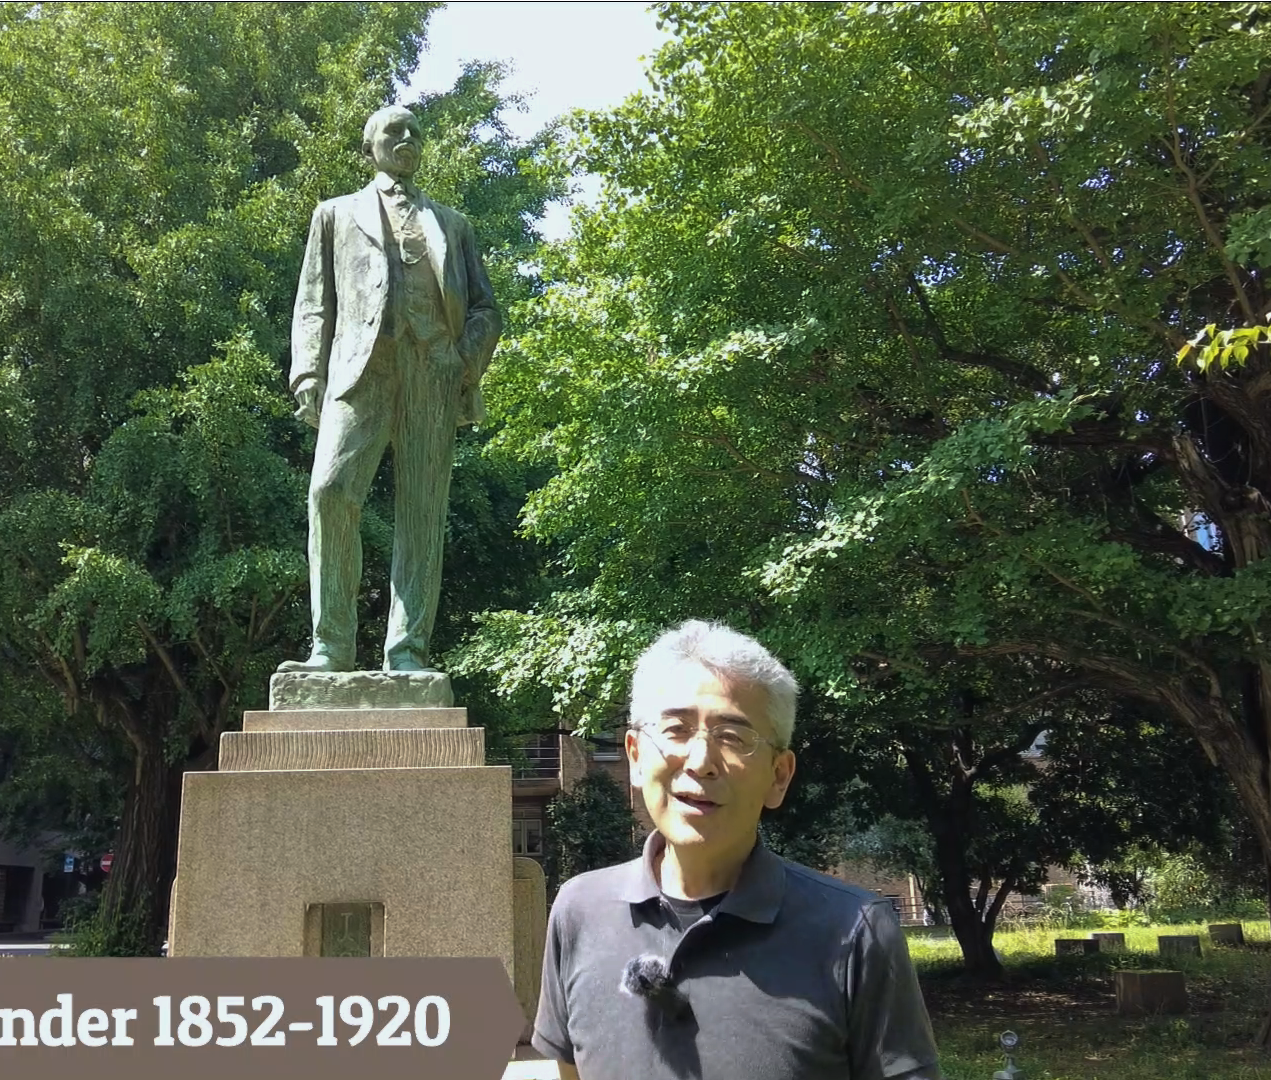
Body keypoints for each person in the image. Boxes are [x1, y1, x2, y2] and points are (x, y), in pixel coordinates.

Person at [533, 620, 943, 1080]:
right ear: (634, 755)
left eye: (733, 737)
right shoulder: (580, 909)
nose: (701, 761)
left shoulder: (854, 931)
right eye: (676, 729)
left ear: (779, 776)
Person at [279, 104, 501, 674]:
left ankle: (407, 652)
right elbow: (314, 302)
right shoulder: (334, 214)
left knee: (423, 511)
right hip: (360, 373)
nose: (406, 140)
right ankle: (330, 646)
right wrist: (307, 370)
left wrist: (461, 362)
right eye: (393, 132)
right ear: (369, 146)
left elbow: (485, 309)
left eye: (415, 133)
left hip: (432, 374)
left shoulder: (453, 224)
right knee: (329, 492)